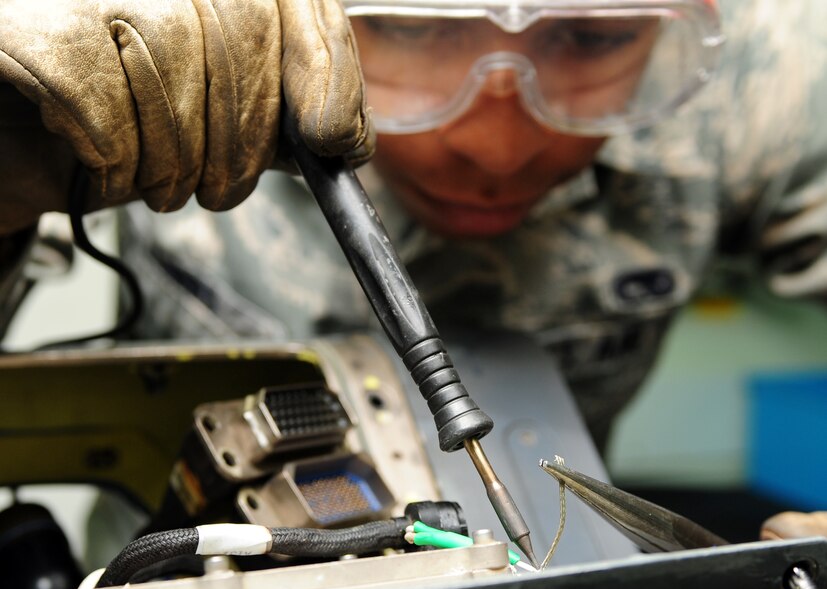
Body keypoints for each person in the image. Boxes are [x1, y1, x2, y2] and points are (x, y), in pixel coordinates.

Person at [0, 0, 825, 539]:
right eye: (410, 25)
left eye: (592, 36)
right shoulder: (133, 28)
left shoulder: (766, 67)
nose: (493, 148)